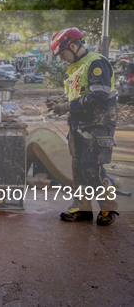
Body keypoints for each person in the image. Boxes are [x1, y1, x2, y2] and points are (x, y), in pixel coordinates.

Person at [49, 28, 118, 225]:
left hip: (98, 124)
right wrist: (61, 101)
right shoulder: (76, 67)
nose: (62, 58)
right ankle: (82, 208)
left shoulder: (96, 62)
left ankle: (108, 208)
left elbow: (100, 94)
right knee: (78, 167)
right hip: (79, 123)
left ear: (73, 46)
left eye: (62, 53)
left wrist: (67, 105)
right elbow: (78, 93)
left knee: (92, 168)